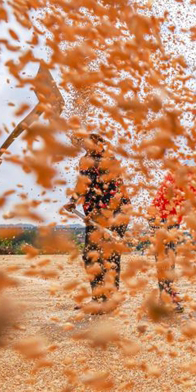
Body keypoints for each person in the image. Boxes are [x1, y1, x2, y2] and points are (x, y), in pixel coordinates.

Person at [64, 133, 130, 312]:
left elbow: (113, 189)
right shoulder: (85, 160)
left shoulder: (109, 158)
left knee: (110, 256)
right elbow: (83, 185)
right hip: (94, 215)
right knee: (91, 256)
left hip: (115, 213)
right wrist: (73, 200)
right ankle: (97, 297)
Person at [150, 159, 196, 312]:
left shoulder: (192, 179)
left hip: (171, 219)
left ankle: (168, 295)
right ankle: (166, 299)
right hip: (161, 218)